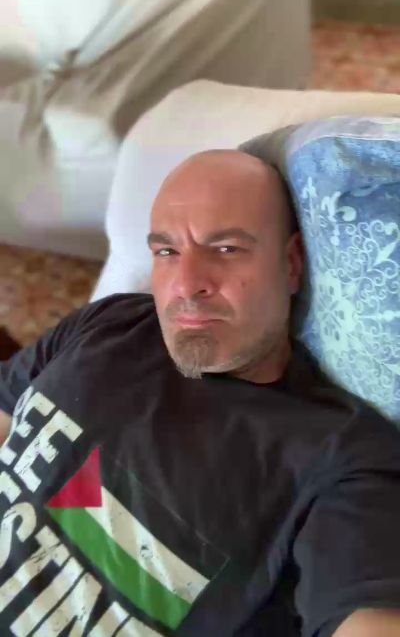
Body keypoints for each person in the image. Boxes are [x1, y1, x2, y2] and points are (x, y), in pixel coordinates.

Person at [0, 148, 400, 637]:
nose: (186, 285)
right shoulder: (107, 323)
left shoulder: (342, 458)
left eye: (226, 249)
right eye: (166, 252)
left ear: (292, 263)